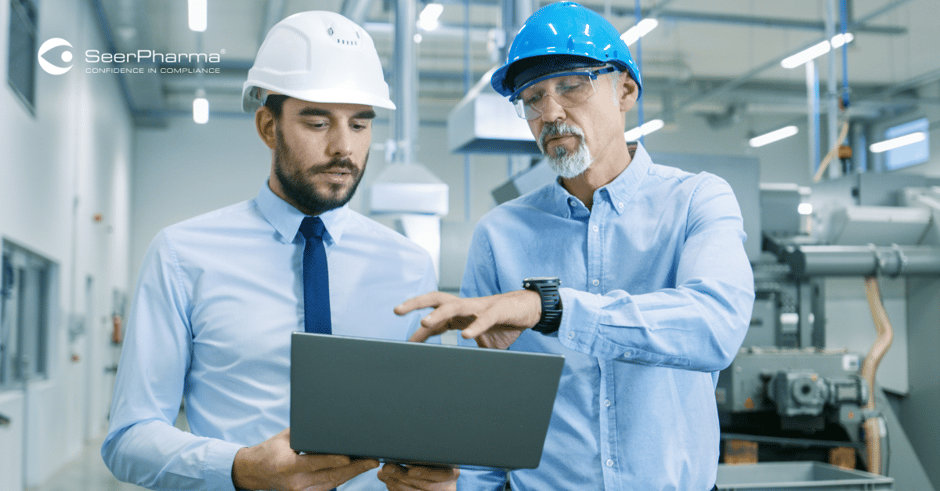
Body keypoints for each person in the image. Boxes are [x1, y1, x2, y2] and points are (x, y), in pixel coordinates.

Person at [395, 2, 755, 490]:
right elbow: (485, 414)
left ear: (625, 89)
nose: (551, 113)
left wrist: (549, 308)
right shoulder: (500, 234)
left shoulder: (696, 201)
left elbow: (715, 328)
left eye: (571, 86)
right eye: (533, 98)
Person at [102, 11, 458, 491]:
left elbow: (428, 427)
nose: (343, 148)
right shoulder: (183, 256)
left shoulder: (409, 265)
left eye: (359, 125)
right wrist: (240, 468)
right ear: (268, 127)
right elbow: (129, 439)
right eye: (317, 123)